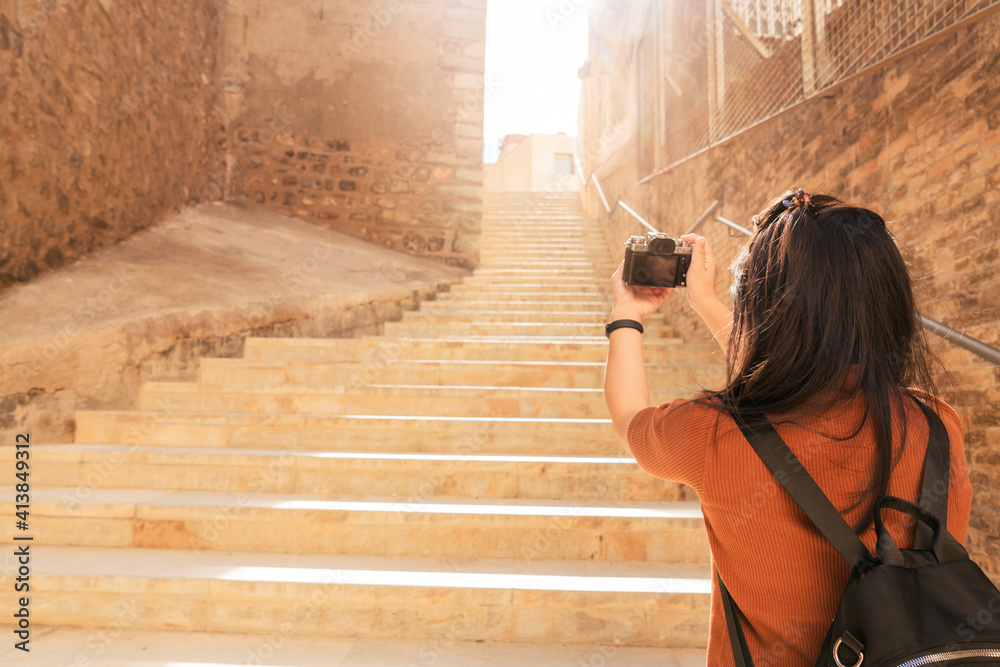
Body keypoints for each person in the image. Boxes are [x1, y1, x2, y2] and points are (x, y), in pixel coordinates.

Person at [603, 190, 973, 666]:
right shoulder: (937, 425)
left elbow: (629, 419)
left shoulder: (713, 433)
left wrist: (626, 315)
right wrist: (707, 303)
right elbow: (798, 377)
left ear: (760, 300)